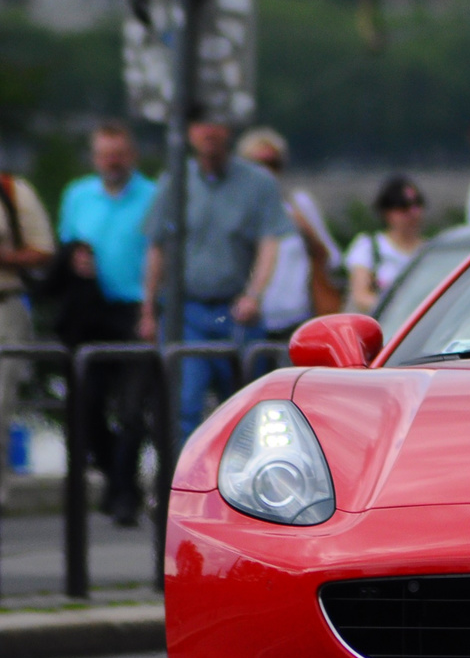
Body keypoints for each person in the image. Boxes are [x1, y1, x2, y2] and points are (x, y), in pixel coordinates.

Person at [141, 116, 292, 441]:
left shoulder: (258, 183)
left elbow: (270, 243)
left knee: (244, 408)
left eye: (216, 123)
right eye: (199, 123)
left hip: (234, 309)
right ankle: (184, 485)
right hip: (187, 310)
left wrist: (255, 294)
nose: (208, 132)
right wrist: (148, 309)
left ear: (230, 130)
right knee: (184, 404)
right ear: (189, 132)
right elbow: (157, 247)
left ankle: (240, 484)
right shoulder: (175, 181)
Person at [54, 121, 158, 525]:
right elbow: (66, 242)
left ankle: (124, 493)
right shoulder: (79, 195)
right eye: (104, 155)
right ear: (96, 158)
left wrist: (153, 308)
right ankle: (119, 480)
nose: (112, 162)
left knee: (132, 409)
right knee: (88, 404)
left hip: (136, 308)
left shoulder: (152, 196)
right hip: (92, 311)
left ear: (131, 156)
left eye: (118, 154)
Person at [236, 127, 341, 340]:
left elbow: (332, 258)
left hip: (296, 318)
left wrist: (305, 229)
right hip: (250, 318)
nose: (266, 172)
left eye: (273, 164)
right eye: (258, 165)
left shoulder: (299, 204)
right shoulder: (236, 210)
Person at [0, 156, 55, 498]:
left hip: (5, 304)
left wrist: (6, 256)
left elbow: (43, 249)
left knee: (1, 401)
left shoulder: (12, 191)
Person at [347, 175, 426, 314]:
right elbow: (360, 296)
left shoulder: (430, 250)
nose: (413, 213)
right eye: (404, 206)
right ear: (387, 212)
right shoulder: (369, 247)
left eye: (417, 204)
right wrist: (401, 309)